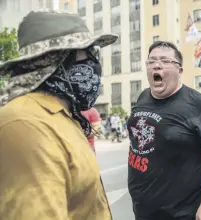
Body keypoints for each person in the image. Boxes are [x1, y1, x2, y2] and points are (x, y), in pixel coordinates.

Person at [0, 10, 118, 220]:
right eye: (88, 52)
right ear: (57, 60)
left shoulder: (62, 115)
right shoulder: (26, 124)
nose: (94, 62)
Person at [127, 41, 201, 220]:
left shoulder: (199, 105)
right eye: (152, 61)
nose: (157, 64)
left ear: (179, 71)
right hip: (143, 209)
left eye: (165, 61)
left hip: (181, 211)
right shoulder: (143, 97)